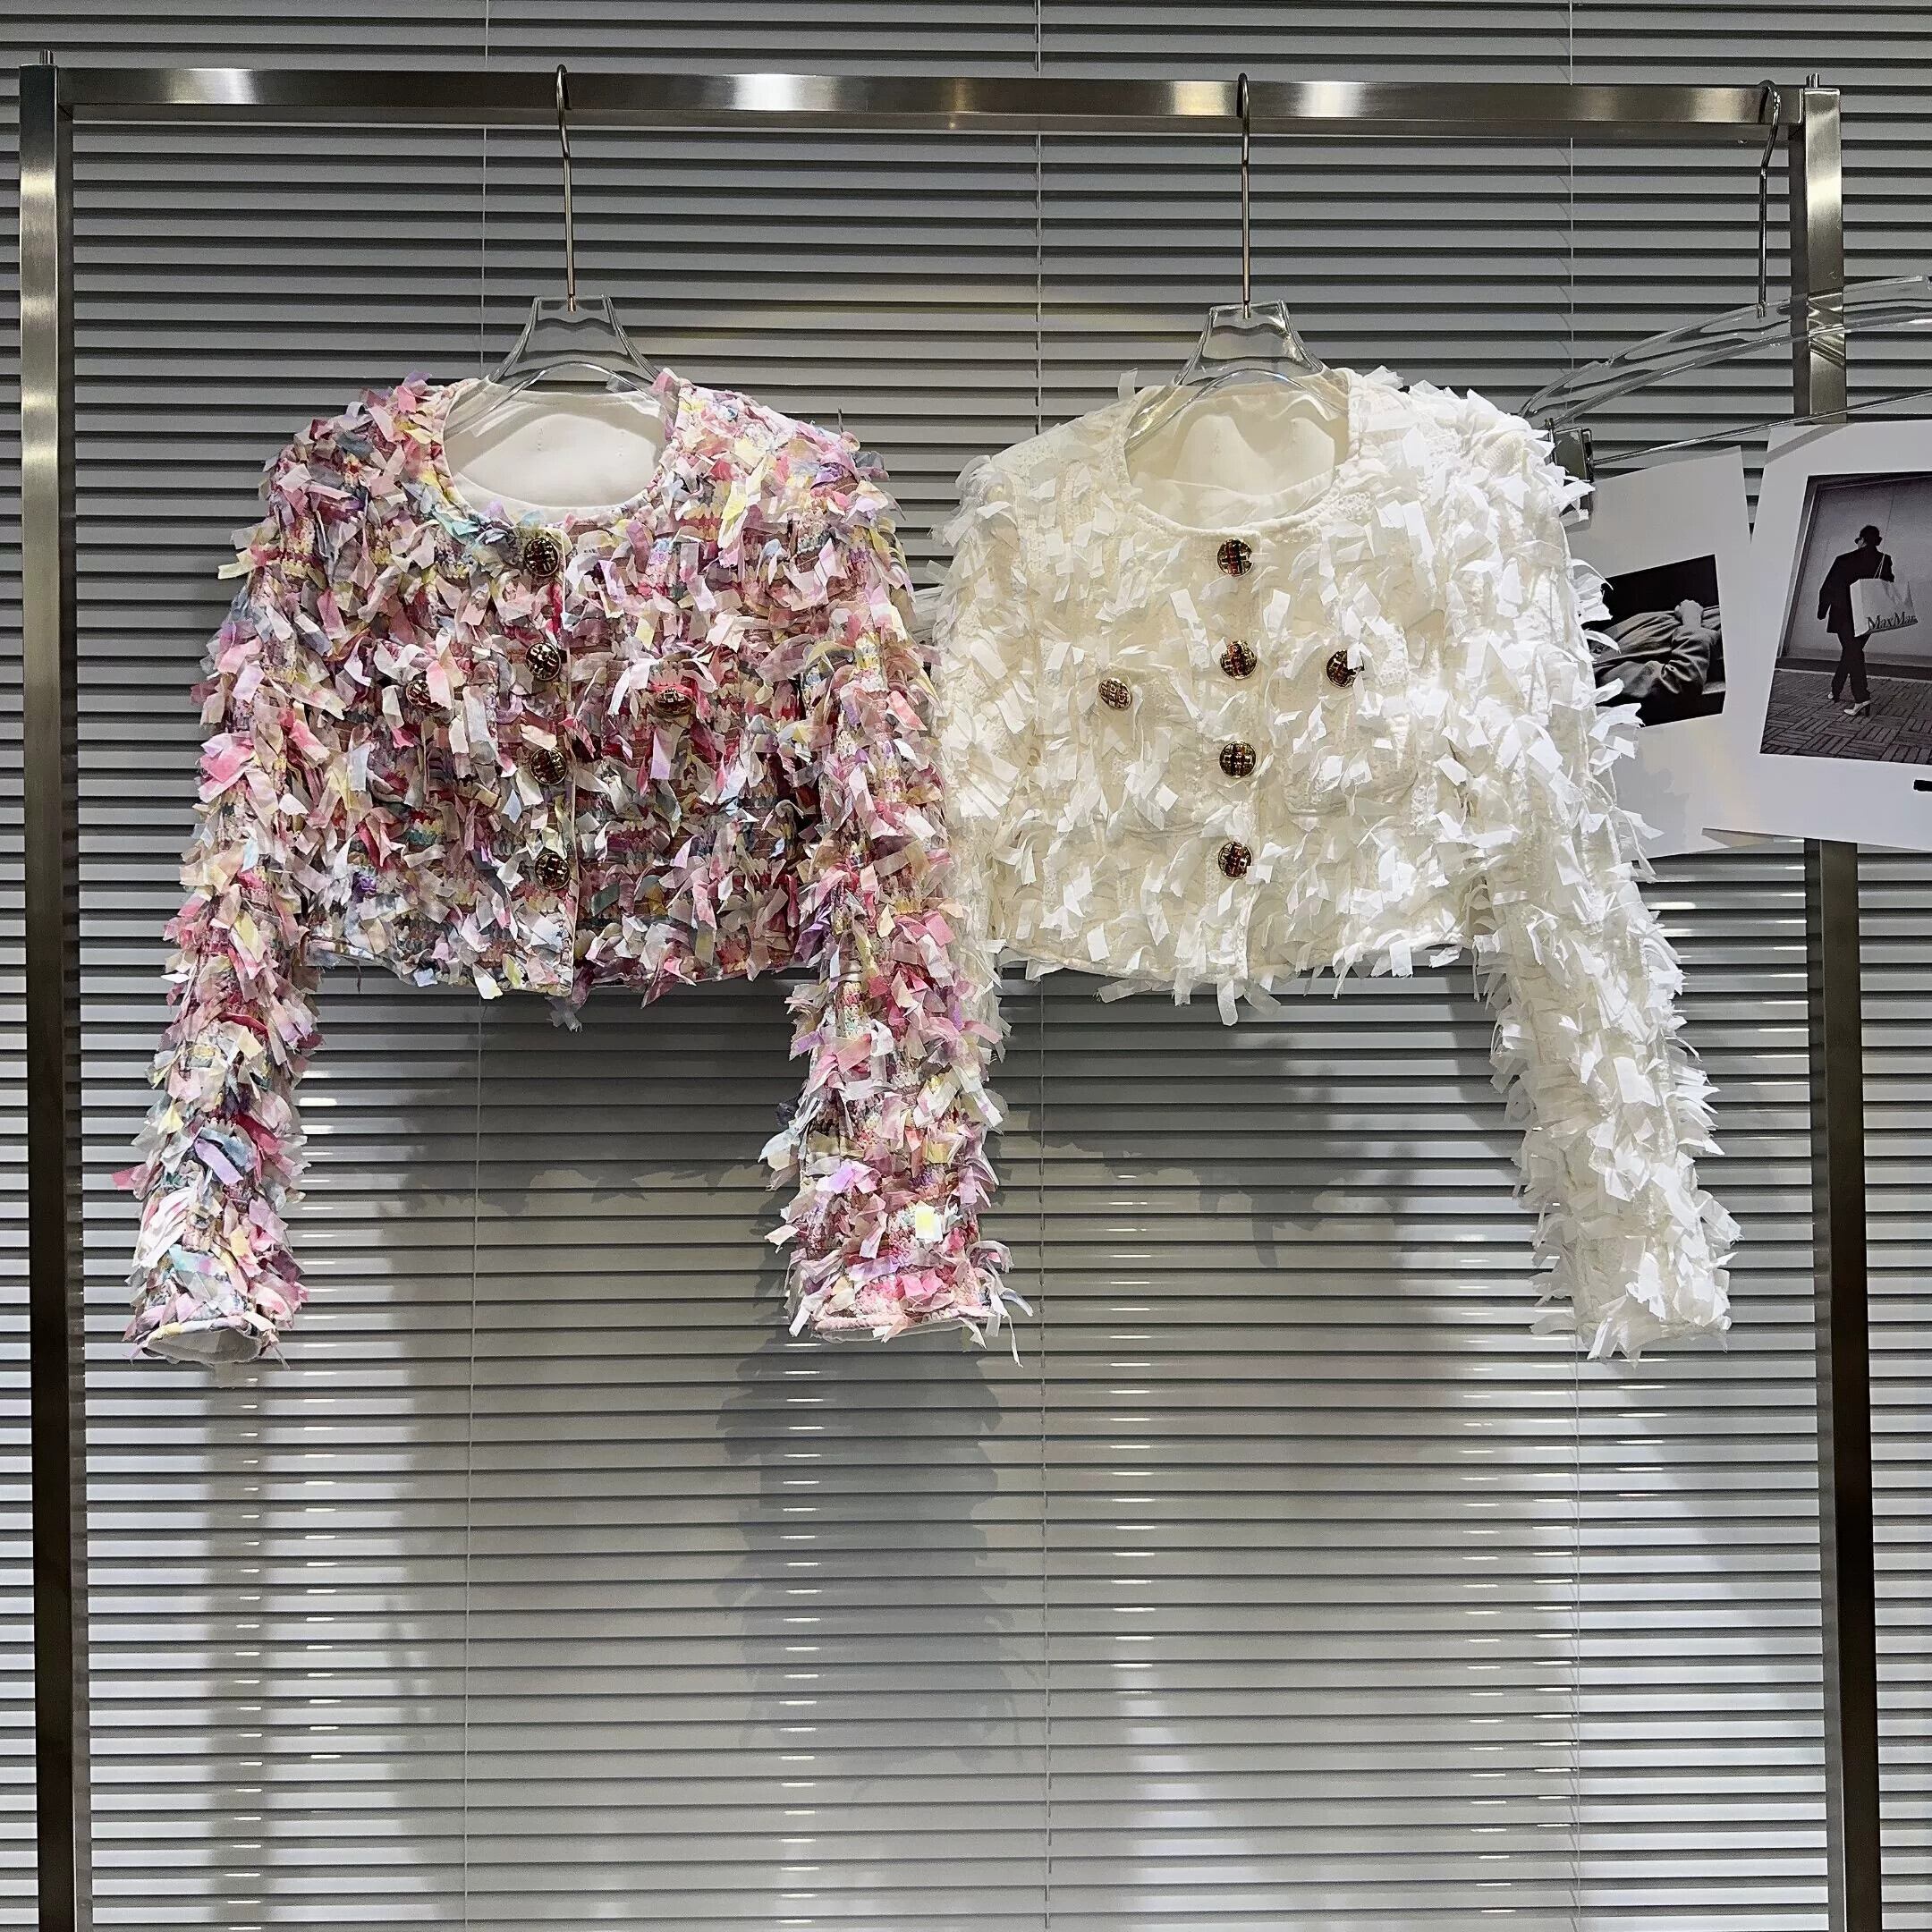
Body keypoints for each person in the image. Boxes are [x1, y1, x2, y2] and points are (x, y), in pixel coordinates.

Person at [1817, 523, 1894, 718]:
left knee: (1853, 652)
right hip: (1867, 616)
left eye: (1858, 540)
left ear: (1862, 540)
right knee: (1852, 651)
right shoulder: (1884, 560)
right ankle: (1836, 689)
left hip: (1843, 615)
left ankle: (1862, 697)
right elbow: (1888, 584)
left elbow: (1828, 587)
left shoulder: (1844, 560)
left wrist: (1822, 611)